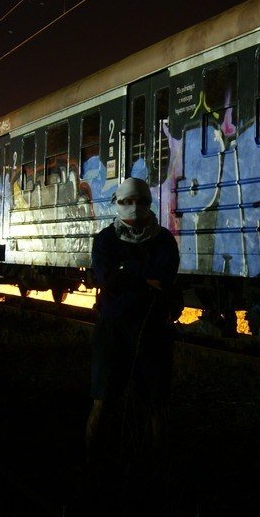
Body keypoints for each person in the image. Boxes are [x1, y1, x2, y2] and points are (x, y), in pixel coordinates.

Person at [85, 177, 180, 461]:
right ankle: (93, 462)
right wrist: (144, 279)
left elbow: (164, 277)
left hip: (149, 329)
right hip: (118, 330)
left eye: (140, 201)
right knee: (104, 402)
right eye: (127, 201)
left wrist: (126, 272)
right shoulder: (108, 239)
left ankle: (152, 466)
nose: (134, 207)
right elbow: (106, 278)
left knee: (155, 404)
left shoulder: (161, 240)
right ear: (117, 203)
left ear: (149, 203)